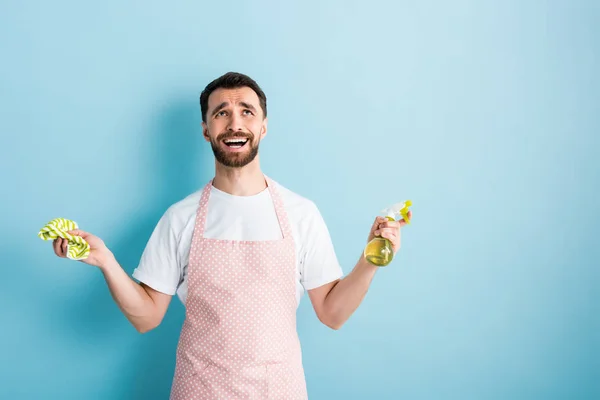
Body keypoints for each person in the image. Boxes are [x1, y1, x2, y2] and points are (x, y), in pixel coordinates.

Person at [52, 72, 411, 399]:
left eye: (247, 111)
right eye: (221, 113)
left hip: (279, 390)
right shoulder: (180, 217)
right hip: (199, 389)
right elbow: (146, 318)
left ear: (264, 127)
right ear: (206, 130)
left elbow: (333, 313)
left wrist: (369, 260)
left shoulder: (302, 213)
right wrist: (105, 262)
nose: (234, 122)